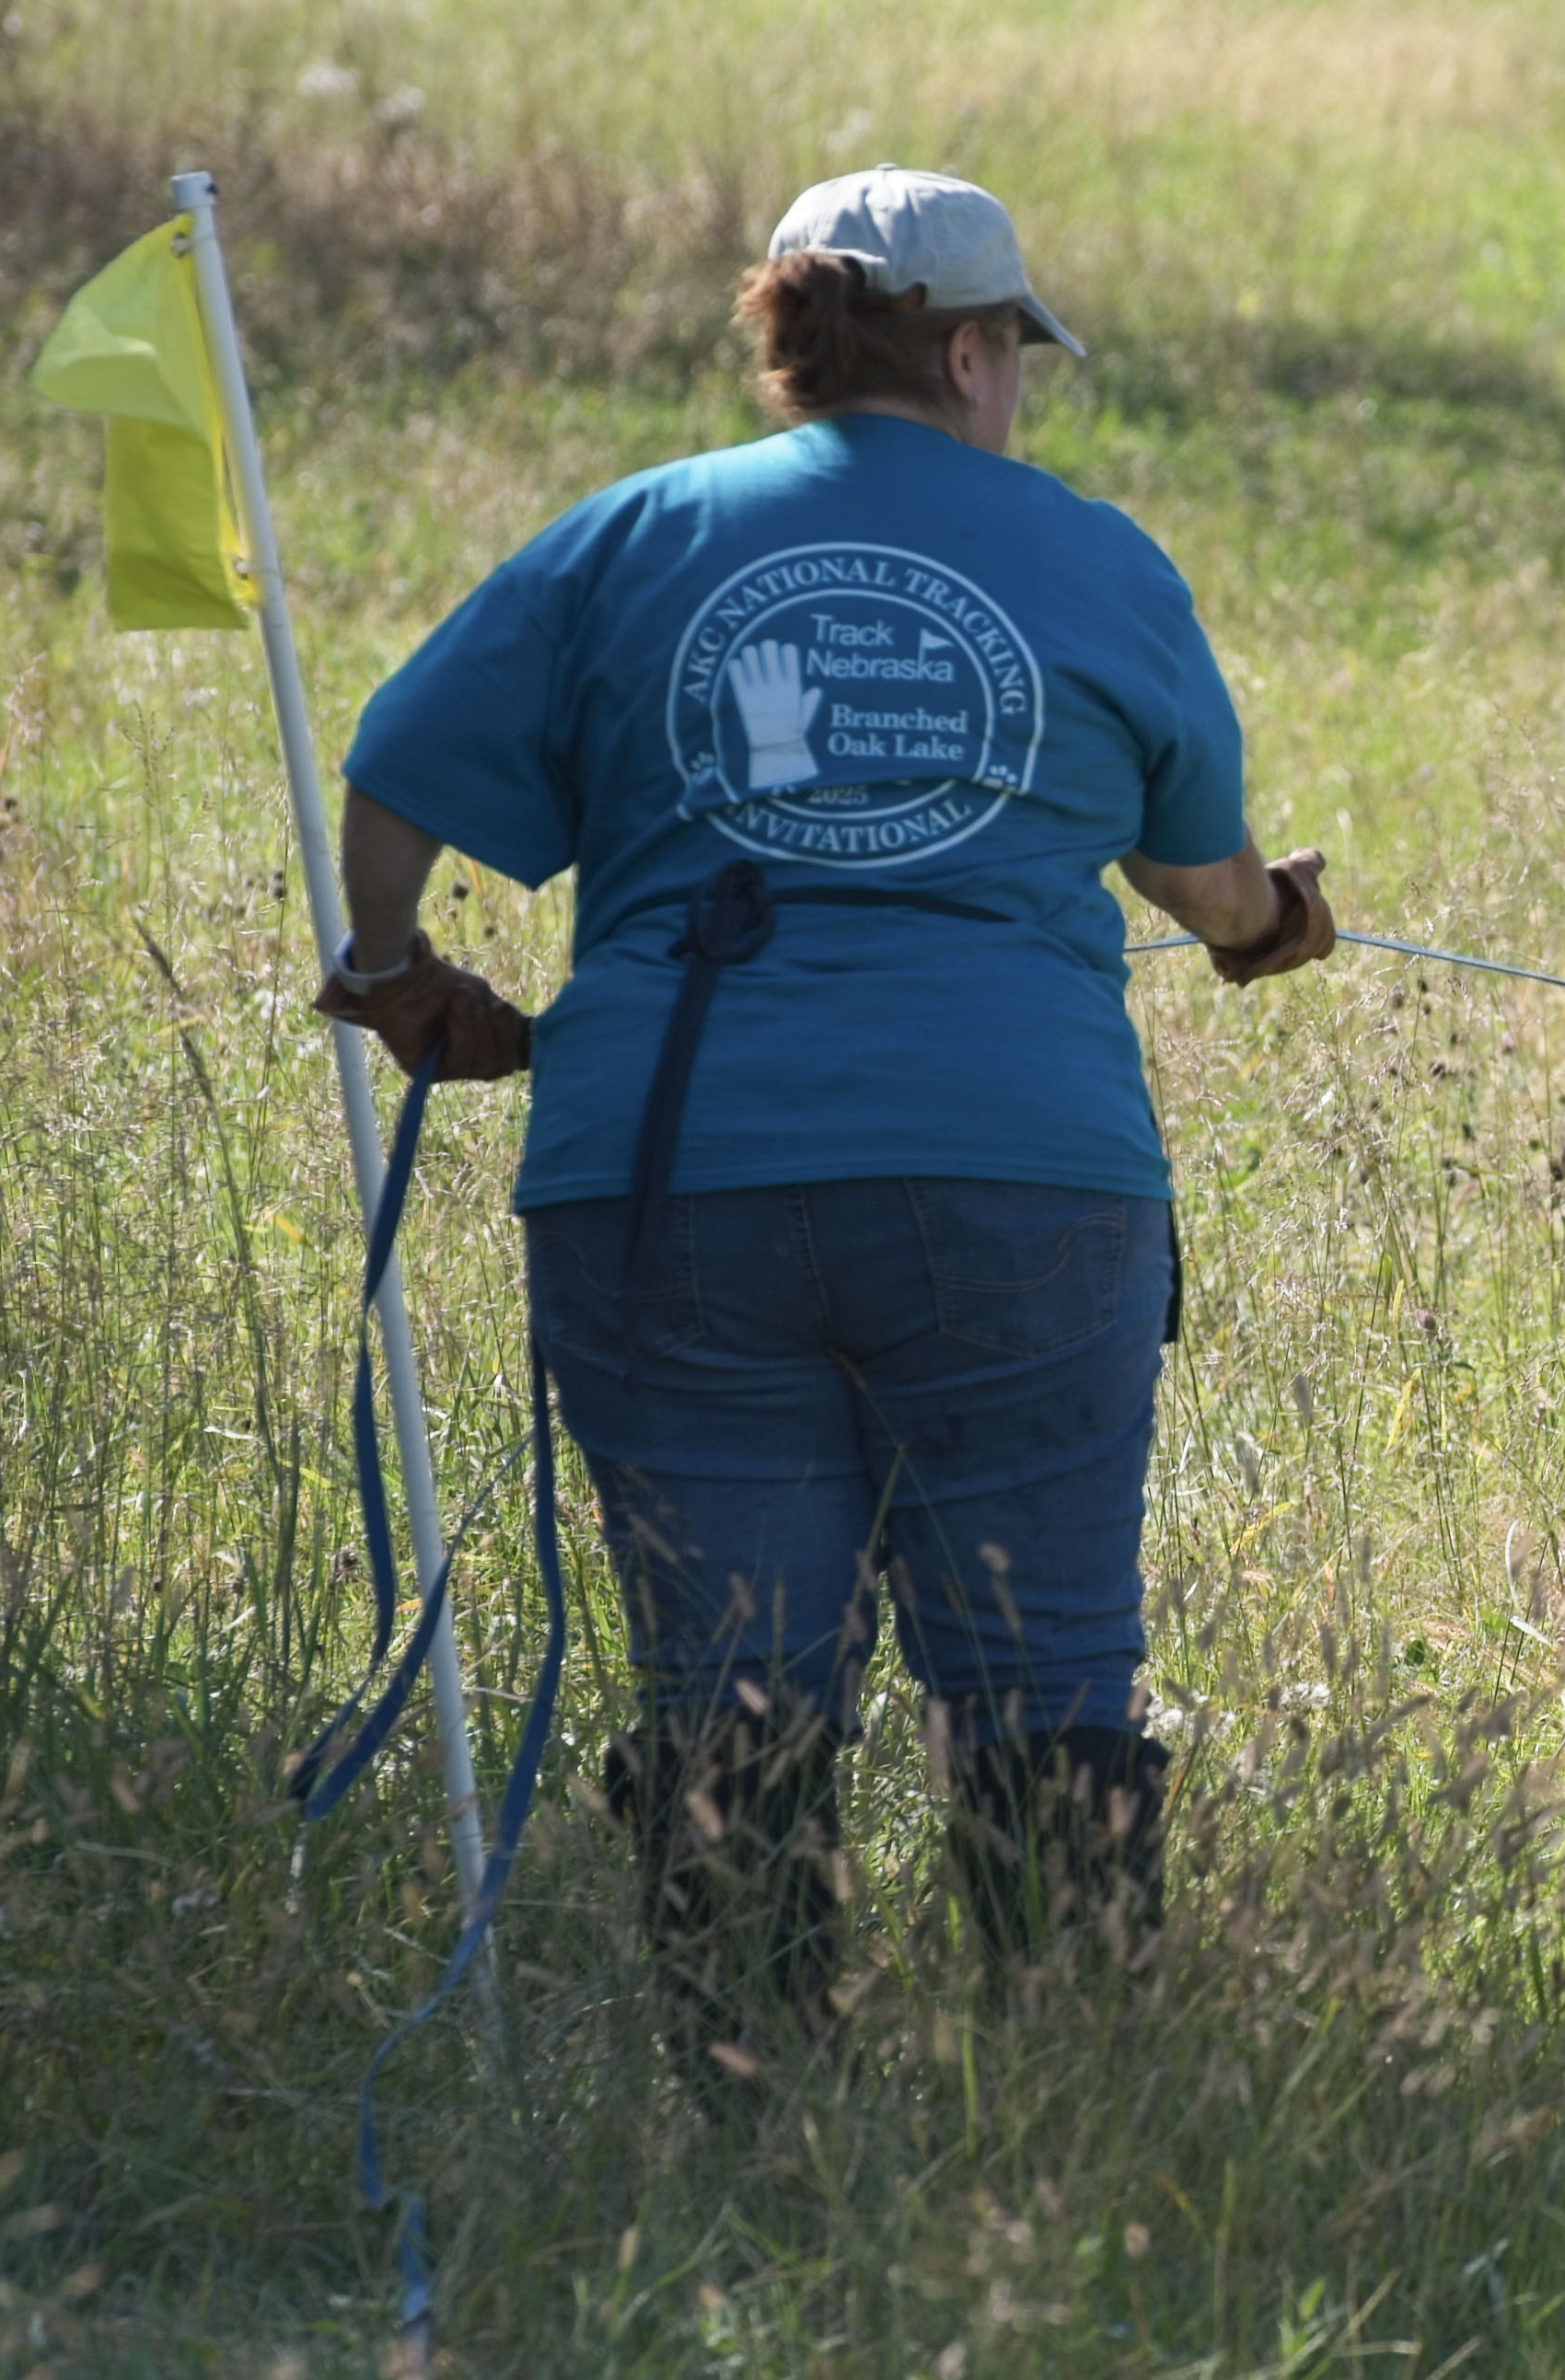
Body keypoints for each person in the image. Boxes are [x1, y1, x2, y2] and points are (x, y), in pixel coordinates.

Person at [311, 166, 1332, 2074]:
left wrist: (393, 969)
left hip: (666, 1179)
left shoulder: (631, 535)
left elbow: (390, 771)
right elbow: (1200, 883)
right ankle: (1065, 2112)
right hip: (1017, 1176)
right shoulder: (1095, 556)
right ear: (971, 353)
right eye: (1011, 356)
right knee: (1041, 1665)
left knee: (730, 1683)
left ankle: (750, 2116)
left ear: (795, 344)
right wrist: (1271, 921)